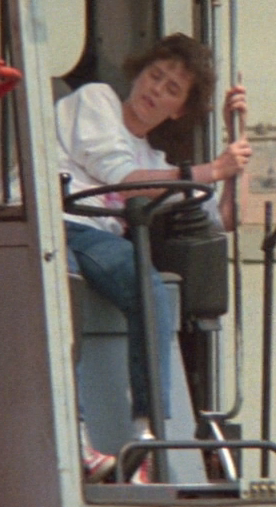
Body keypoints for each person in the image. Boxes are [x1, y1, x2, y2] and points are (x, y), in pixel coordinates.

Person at [55, 33, 250, 481]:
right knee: (61, 288)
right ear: (137, 74)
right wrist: (212, 169)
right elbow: (124, 180)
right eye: (154, 75)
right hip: (49, 224)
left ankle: (146, 439)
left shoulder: (158, 161)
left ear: (178, 110)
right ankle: (76, 440)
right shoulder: (95, 100)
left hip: (95, 238)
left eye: (171, 88)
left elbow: (225, 218)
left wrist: (234, 144)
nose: (155, 89)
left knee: (150, 287)